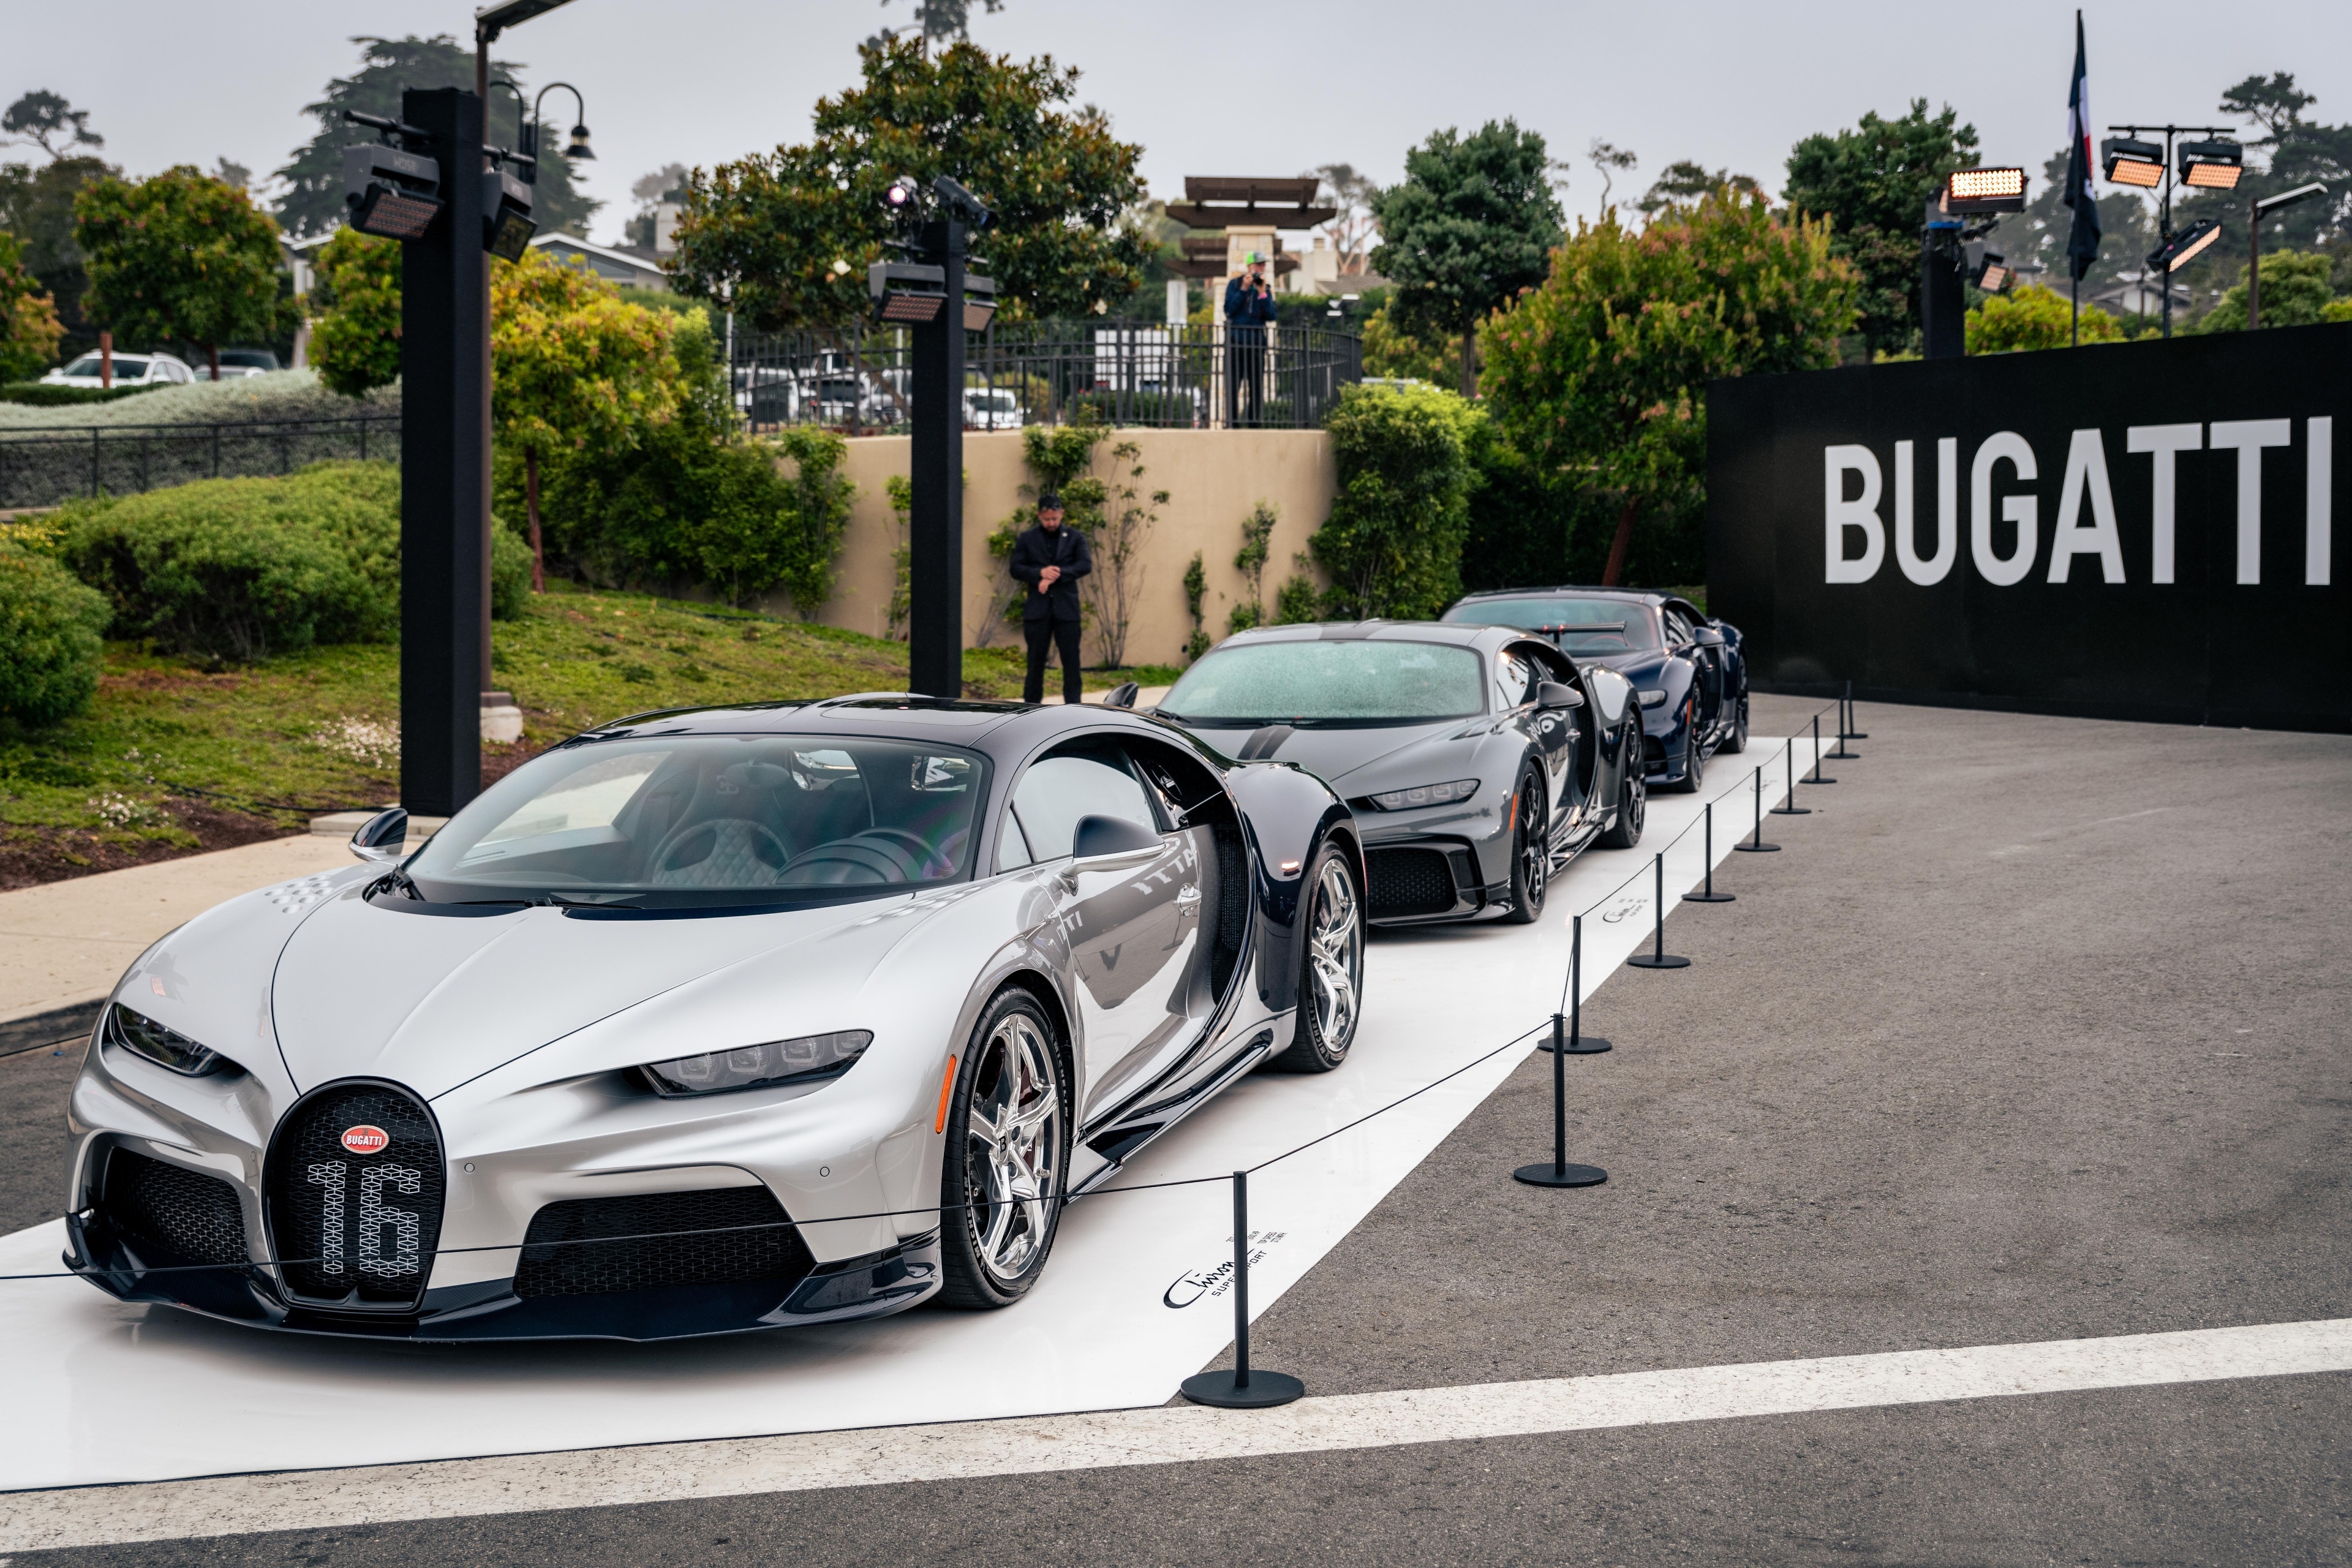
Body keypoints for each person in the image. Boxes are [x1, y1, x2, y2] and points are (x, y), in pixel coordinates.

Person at [1008, 491, 1093, 705]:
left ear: (1062, 514)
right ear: (1039, 516)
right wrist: (1039, 574)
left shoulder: (1075, 537)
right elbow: (1016, 568)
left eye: (1055, 518)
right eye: (1047, 519)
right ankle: (1030, 707)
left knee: (1071, 662)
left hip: (1067, 610)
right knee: (1035, 662)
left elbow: (1085, 565)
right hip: (1038, 610)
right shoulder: (1028, 538)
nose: (1051, 522)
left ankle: (1074, 707)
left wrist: (1056, 574)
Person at [1223, 255, 1277, 426]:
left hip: (1256, 343)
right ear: (1249, 266)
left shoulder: (1265, 289)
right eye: (1258, 265)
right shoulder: (1235, 284)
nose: (1261, 268)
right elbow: (1229, 310)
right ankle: (1232, 422)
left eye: (1263, 265)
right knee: (1233, 385)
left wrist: (1262, 294)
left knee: (1256, 385)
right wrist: (1244, 289)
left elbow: (1271, 316)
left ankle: (1254, 421)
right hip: (1236, 342)